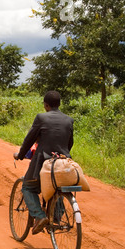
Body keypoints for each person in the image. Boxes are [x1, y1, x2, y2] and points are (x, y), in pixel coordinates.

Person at [13, 91, 74, 235]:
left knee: (28, 187)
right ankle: (56, 216)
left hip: (43, 163)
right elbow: (69, 143)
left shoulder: (41, 118)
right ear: (59, 104)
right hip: (63, 162)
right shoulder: (68, 120)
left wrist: (20, 155)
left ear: (46, 105)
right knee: (57, 186)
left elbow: (29, 139)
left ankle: (40, 217)